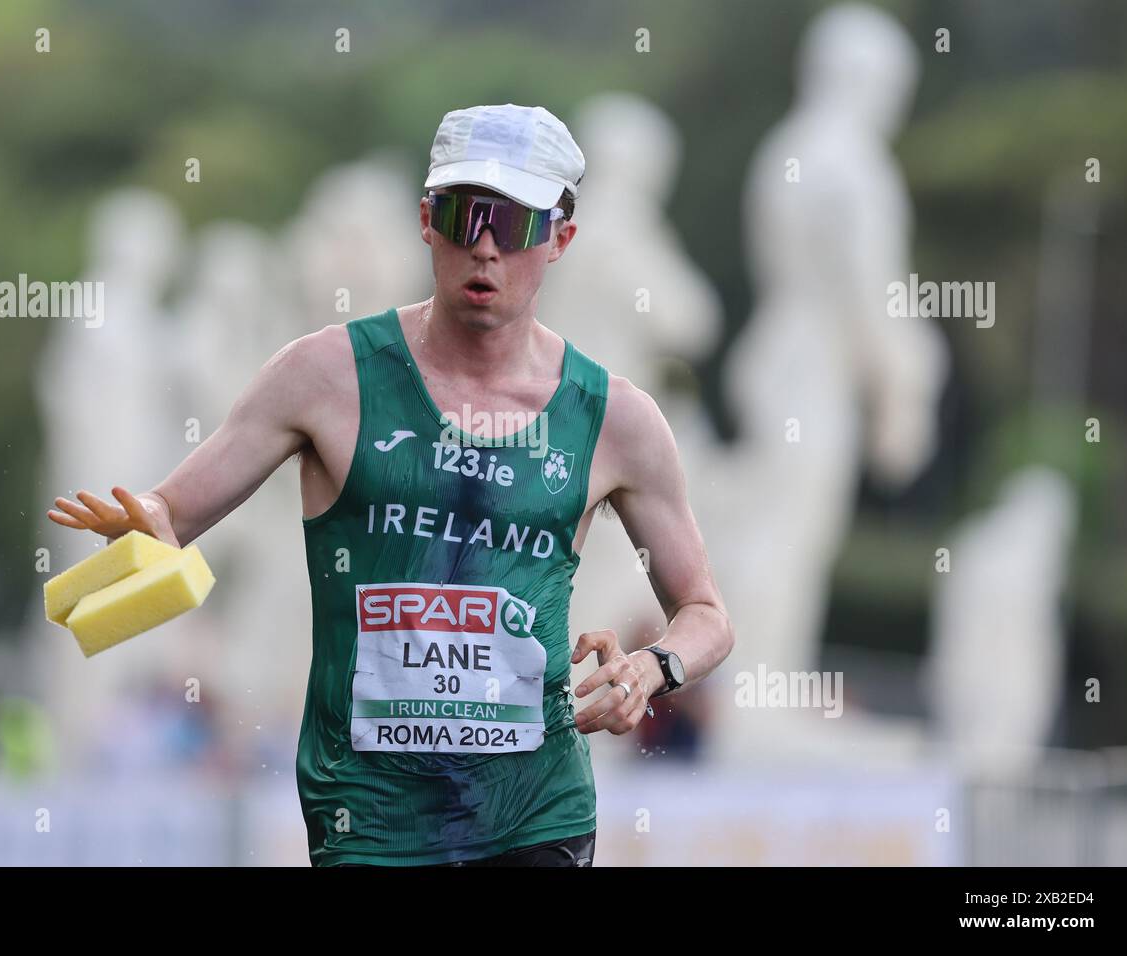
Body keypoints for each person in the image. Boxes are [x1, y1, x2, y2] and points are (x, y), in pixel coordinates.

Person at [48, 103, 734, 867]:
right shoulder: (323, 375)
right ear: (424, 220)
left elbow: (704, 613)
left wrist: (652, 666)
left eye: (511, 225)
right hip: (368, 823)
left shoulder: (617, 419)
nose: (482, 248)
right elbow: (174, 511)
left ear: (561, 239)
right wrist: (144, 521)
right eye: (460, 214)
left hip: (535, 817)